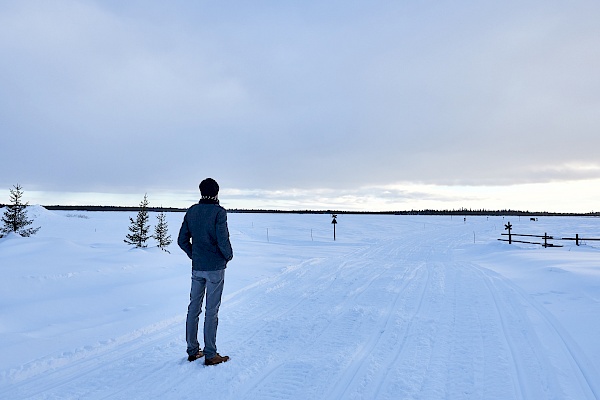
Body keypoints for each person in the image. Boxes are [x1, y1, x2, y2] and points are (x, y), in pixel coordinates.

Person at [178, 178, 233, 366]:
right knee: (211, 310)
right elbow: (222, 240)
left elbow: (181, 240)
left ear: (201, 192)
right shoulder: (219, 212)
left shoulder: (192, 211)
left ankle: (193, 350)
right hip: (215, 268)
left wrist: (194, 255)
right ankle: (210, 354)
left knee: (193, 307)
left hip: (198, 267)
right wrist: (228, 256)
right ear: (217, 193)